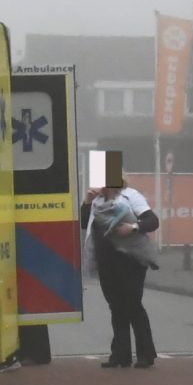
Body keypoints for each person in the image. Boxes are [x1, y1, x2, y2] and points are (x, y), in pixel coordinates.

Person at [81, 153, 160, 368]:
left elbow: (152, 221)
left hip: (130, 260)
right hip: (106, 261)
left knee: (133, 305)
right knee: (115, 307)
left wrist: (133, 227)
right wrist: (87, 202)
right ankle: (120, 354)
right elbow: (84, 223)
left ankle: (146, 354)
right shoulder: (96, 201)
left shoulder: (130, 196)